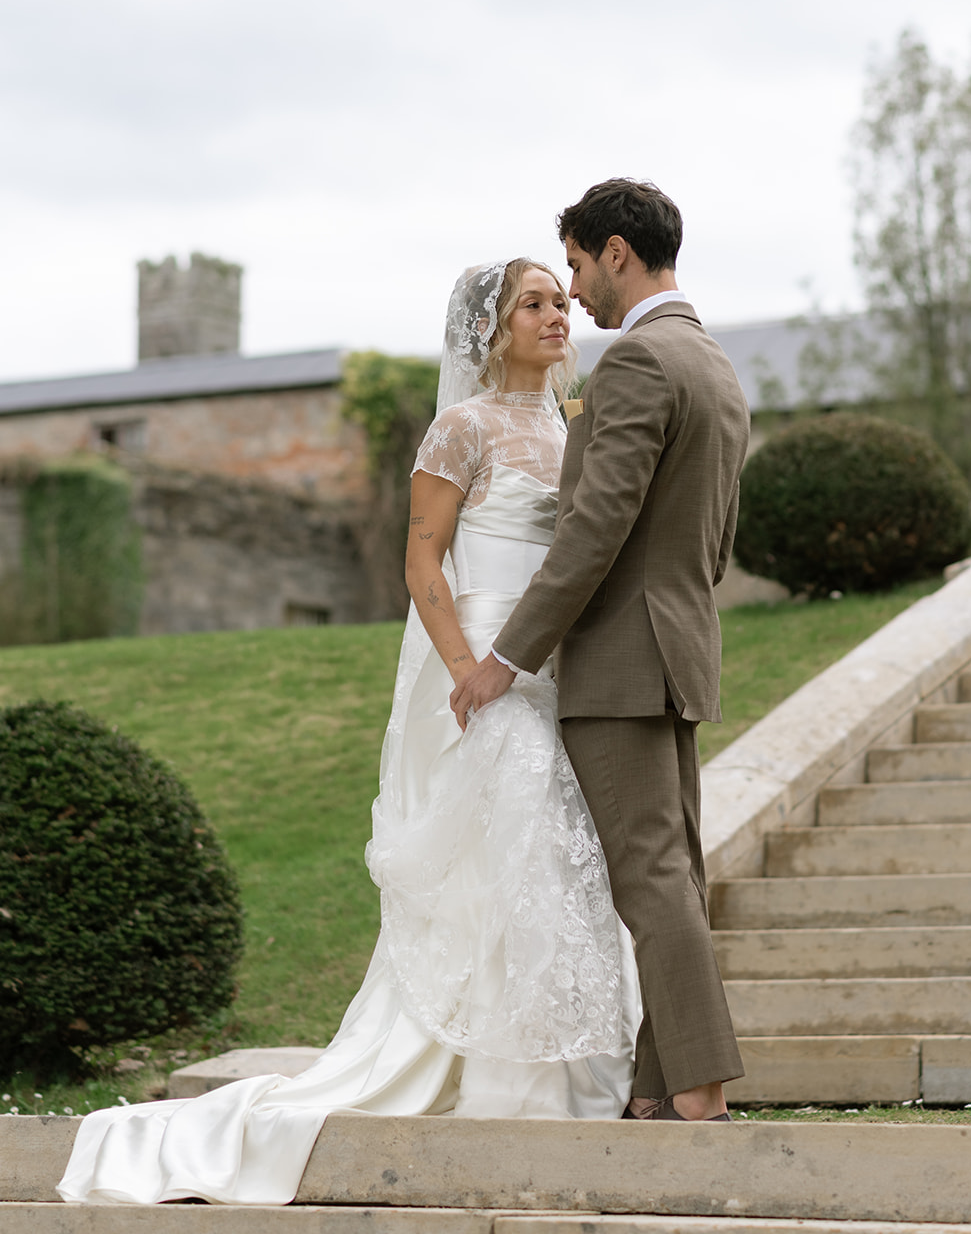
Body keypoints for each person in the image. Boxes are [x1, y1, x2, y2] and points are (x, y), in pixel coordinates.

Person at [58, 258, 639, 1208]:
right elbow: (423, 560)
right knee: (511, 852)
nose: (557, 316)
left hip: (564, 670)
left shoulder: (576, 427)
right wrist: (466, 671)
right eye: (534, 304)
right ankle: (506, 1072)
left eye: (558, 302)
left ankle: (565, 1060)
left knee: (559, 861)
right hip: (489, 670)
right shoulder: (462, 428)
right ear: (491, 330)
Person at [452, 181, 750, 1123]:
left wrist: (508, 655)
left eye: (577, 266)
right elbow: (715, 538)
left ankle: (698, 1094)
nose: (575, 293)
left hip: (621, 661)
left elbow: (594, 529)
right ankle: (660, 1092)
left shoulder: (634, 365)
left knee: (650, 876)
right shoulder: (711, 362)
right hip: (679, 650)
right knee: (675, 872)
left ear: (616, 252)